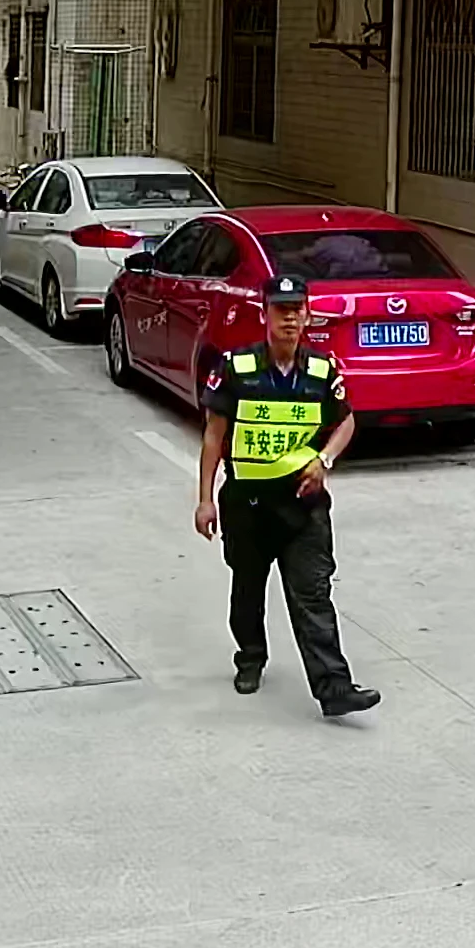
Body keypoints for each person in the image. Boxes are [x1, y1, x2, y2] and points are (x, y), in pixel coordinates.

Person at [192, 274, 380, 718]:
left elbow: (347, 420)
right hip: (248, 505)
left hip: (302, 506)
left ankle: (334, 688)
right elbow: (214, 436)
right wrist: (205, 499)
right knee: (248, 590)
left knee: (313, 595)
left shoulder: (322, 371)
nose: (290, 319)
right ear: (266, 315)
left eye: (297, 310)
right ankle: (251, 659)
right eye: (281, 310)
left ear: (308, 317)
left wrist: (325, 460)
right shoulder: (236, 368)